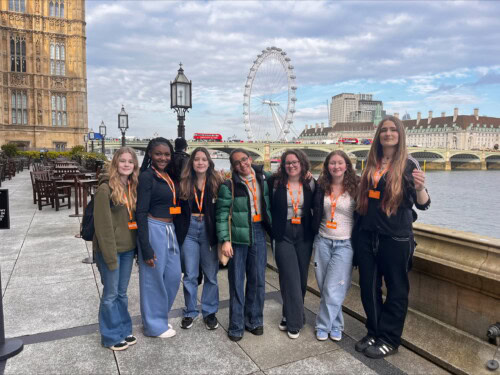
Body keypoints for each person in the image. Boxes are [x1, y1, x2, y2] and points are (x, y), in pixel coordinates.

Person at [354, 116, 430, 359]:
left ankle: (390, 338)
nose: (388, 133)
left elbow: (424, 204)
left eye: (392, 130)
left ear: (400, 134)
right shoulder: (371, 162)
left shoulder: (409, 164)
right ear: (378, 135)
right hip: (368, 234)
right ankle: (374, 331)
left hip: (395, 237)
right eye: (384, 130)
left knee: (396, 290)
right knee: (368, 287)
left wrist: (420, 188)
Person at [216, 148, 272, 342]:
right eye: (237, 163)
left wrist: (306, 175)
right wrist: (225, 240)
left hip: (258, 230)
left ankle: (255, 320)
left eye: (244, 160)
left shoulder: (264, 178)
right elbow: (222, 215)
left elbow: (287, 178)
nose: (242, 164)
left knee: (258, 280)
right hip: (237, 235)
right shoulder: (229, 185)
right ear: (233, 166)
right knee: (237, 281)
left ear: (250, 159)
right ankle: (237, 324)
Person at [93, 146, 139, 351]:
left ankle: (123, 328)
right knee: (110, 294)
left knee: (122, 293)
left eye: (130, 161)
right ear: (115, 163)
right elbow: (103, 226)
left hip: (128, 249)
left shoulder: (132, 187)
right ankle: (110, 336)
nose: (127, 164)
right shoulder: (106, 189)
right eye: (123, 161)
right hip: (110, 250)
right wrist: (109, 256)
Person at [311, 150, 359, 342]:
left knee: (334, 288)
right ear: (327, 166)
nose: (336, 166)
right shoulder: (320, 186)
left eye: (340, 163)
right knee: (325, 287)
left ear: (346, 165)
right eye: (332, 163)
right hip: (322, 240)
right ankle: (337, 325)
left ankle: (322, 325)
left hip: (345, 244)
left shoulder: (356, 187)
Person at [136, 137, 181, 338]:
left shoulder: (168, 175)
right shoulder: (146, 177)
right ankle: (153, 326)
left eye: (166, 154)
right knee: (153, 279)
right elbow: (140, 211)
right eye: (158, 154)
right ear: (150, 155)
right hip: (154, 228)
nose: (163, 157)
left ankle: (160, 317)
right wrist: (145, 247)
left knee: (172, 277)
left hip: (170, 229)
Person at [268, 149, 315, 339]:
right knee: (290, 276)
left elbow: (319, 205)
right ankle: (295, 323)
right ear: (283, 165)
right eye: (288, 163)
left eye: (295, 162)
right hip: (283, 233)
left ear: (302, 163)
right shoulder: (274, 182)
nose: (291, 166)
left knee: (301, 278)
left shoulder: (311, 182)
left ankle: (288, 314)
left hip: (304, 233)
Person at [176, 147, 223, 330]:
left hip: (208, 230)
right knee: (190, 274)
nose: (200, 162)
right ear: (192, 162)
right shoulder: (184, 183)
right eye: (197, 159)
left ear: (209, 162)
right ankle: (190, 311)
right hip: (189, 229)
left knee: (211, 274)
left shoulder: (217, 182)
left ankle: (209, 312)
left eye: (204, 159)